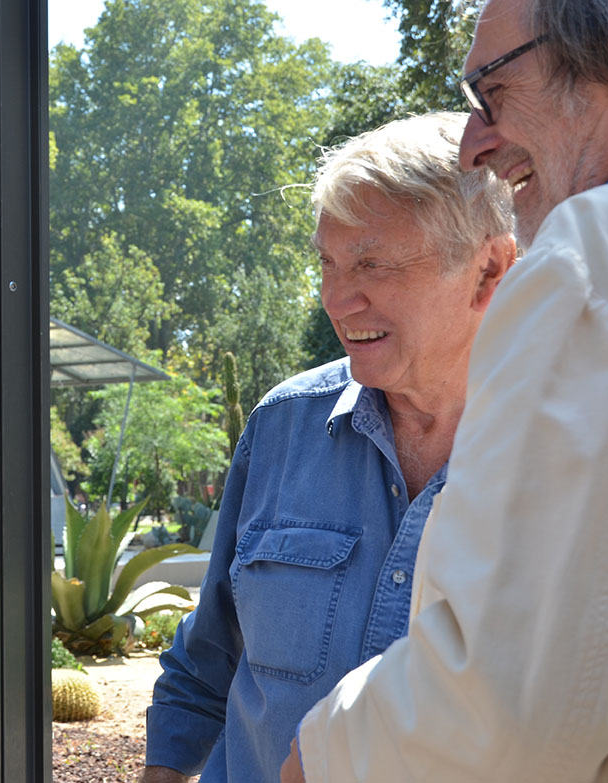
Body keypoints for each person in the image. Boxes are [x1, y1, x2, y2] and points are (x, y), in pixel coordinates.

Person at [281, 0, 608, 780]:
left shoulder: (587, 259)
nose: (474, 144)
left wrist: (318, 753)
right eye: (328, 266)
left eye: (491, 91)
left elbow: (501, 710)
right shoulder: (282, 425)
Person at [141, 111, 516, 783]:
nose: (336, 299)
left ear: (487, 269)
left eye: (372, 263)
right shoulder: (281, 424)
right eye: (327, 262)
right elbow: (206, 660)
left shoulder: (568, 453)